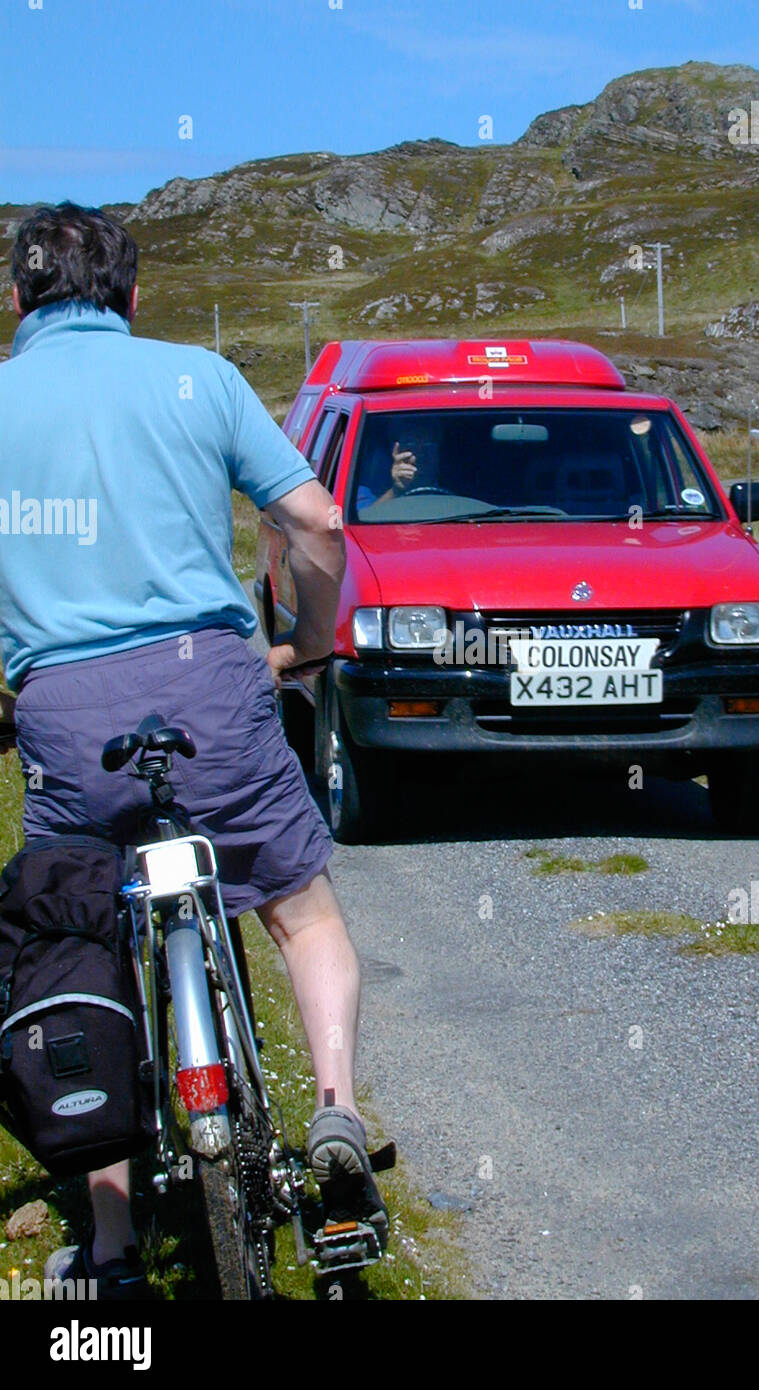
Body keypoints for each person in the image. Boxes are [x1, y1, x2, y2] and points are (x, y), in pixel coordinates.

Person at [0, 203, 387, 1298]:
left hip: (67, 715)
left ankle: (114, 1242)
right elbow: (315, 525)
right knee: (300, 909)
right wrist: (303, 647)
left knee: (82, 946)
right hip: (207, 687)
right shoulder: (197, 378)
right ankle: (335, 1109)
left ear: (18, 301)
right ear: (132, 298)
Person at [356, 418, 444, 509]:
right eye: (410, 445)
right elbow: (363, 518)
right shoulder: (361, 491)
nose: (419, 454)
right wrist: (395, 491)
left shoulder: (457, 492)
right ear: (393, 451)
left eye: (428, 446)